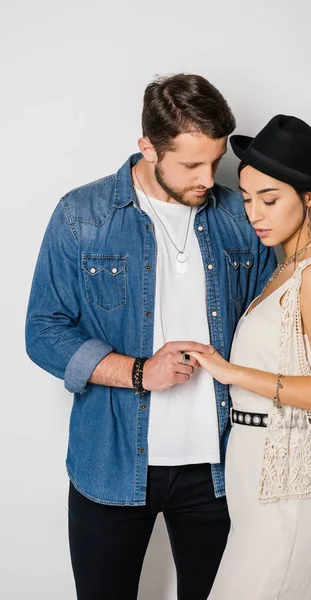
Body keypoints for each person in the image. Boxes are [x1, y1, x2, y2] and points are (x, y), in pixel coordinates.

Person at [25, 73, 276, 600]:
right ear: (147, 147)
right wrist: (139, 371)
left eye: (216, 160)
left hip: (220, 469)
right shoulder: (82, 216)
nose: (208, 178)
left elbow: (272, 326)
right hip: (111, 463)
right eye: (190, 165)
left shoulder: (239, 216)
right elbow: (43, 331)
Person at [189, 115, 311, 600]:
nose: (255, 214)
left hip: (295, 482)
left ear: (309, 197)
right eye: (246, 199)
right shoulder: (285, 266)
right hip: (259, 471)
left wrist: (230, 371)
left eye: (269, 199)